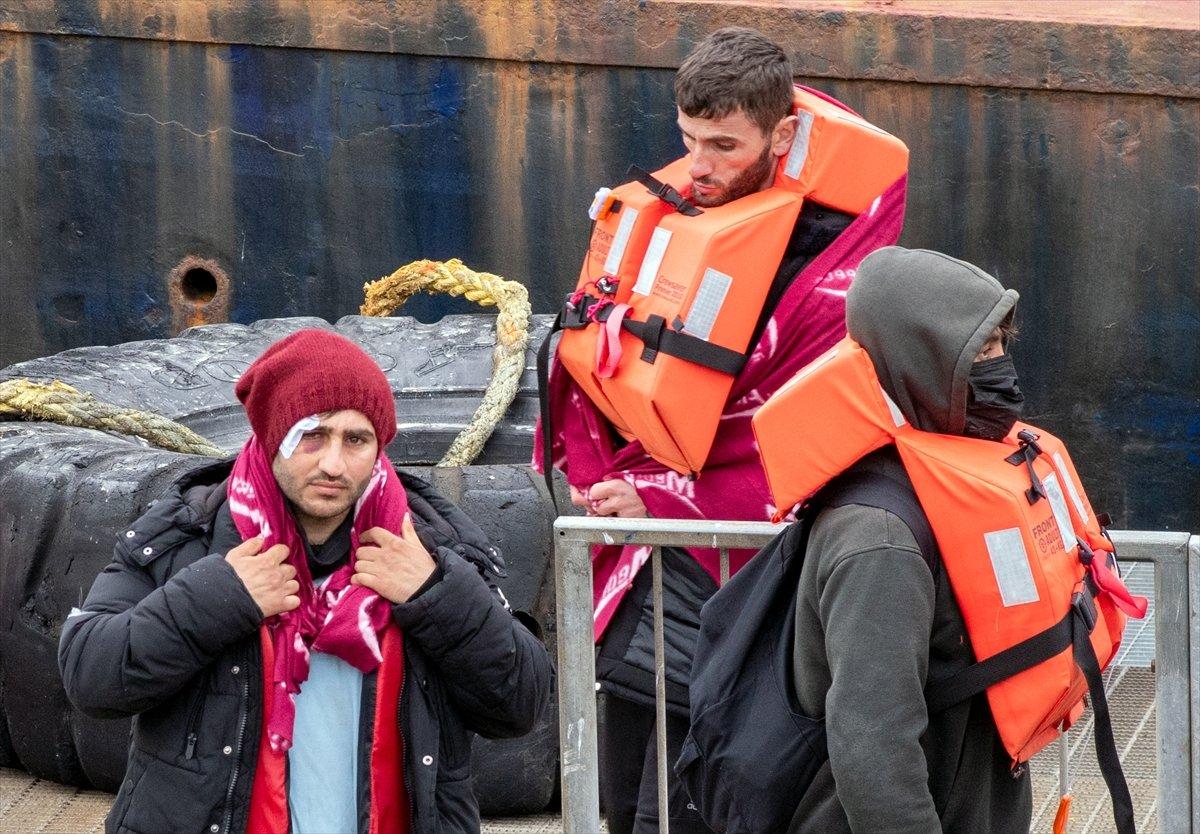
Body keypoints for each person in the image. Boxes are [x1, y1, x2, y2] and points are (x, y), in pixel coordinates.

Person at [536, 26, 908, 834]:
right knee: (622, 773)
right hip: (644, 564)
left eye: (724, 147)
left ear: (781, 137)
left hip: (734, 582)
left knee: (687, 796)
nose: (698, 168)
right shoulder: (688, 213)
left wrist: (665, 498)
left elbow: (810, 441)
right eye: (688, 141)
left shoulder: (837, 281)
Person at [59, 329, 553, 834]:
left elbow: (520, 706)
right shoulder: (189, 533)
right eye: (311, 436)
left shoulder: (427, 545)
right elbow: (90, 676)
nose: (333, 464)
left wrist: (434, 596)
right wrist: (221, 595)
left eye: (356, 440)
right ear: (274, 435)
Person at [788, 247, 1032, 832]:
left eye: (1004, 344)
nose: (1004, 370)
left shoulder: (942, 490)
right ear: (926, 360)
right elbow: (875, 754)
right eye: (984, 350)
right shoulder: (880, 540)